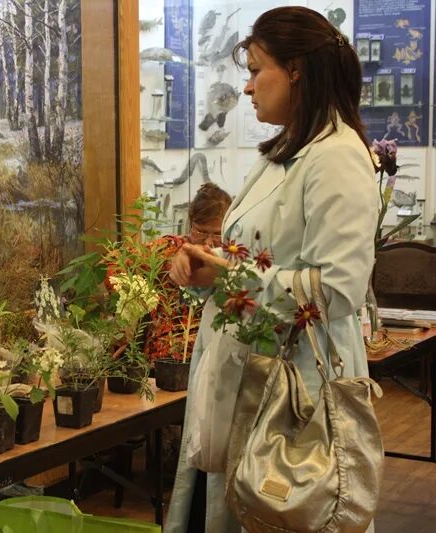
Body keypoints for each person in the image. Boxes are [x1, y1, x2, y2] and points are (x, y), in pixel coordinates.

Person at [165, 7, 376, 532]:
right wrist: (200, 266)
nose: (248, 87)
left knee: (288, 508)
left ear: (298, 69)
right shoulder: (284, 153)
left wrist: (231, 278)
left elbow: (338, 289)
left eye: (258, 70)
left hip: (296, 391)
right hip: (253, 374)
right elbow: (253, 256)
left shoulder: (337, 156)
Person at [143, 183, 231, 362]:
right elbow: (115, 263)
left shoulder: (231, 262)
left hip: (210, 357)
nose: (208, 242)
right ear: (190, 224)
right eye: (201, 232)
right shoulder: (167, 250)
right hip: (162, 360)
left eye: (217, 234)